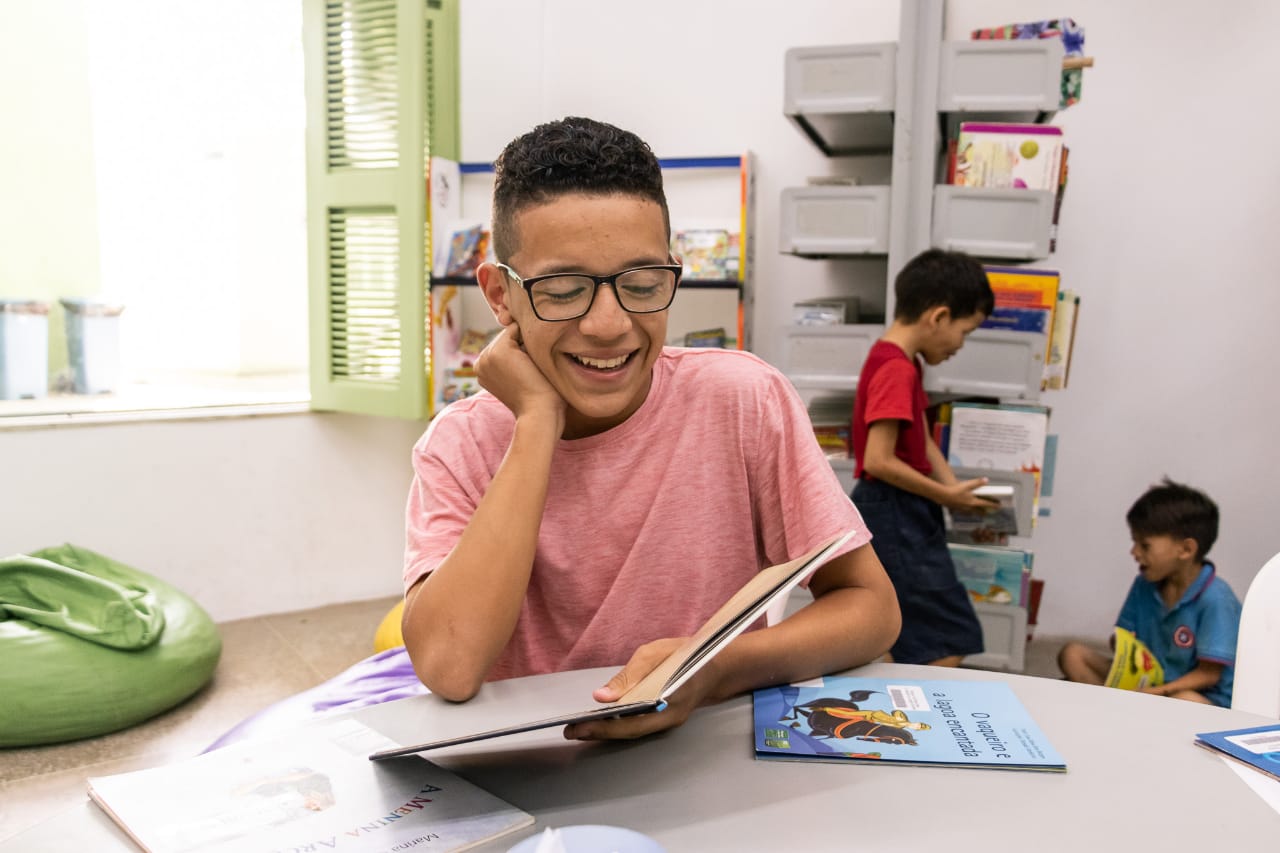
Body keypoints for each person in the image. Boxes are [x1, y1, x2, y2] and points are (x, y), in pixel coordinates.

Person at [400, 116, 900, 741]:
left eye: (641, 285)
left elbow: (872, 609)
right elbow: (449, 665)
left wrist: (711, 668)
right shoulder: (459, 444)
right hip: (530, 778)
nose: (609, 324)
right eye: (562, 290)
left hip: (705, 765)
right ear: (500, 295)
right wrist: (536, 421)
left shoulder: (743, 399)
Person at [850, 248, 997, 667]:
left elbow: (921, 439)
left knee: (900, 631)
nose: (960, 345)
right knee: (948, 636)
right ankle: (917, 717)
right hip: (894, 510)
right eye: (965, 332)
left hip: (901, 510)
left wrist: (950, 486)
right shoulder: (897, 369)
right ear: (938, 317)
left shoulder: (900, 361)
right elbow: (878, 459)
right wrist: (947, 497)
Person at [1058, 478, 1240, 706]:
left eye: (1144, 545)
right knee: (1073, 655)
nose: (1134, 552)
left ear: (1185, 549)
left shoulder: (1216, 599)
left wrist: (1159, 692)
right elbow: (1122, 638)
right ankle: (1122, 711)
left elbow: (1209, 674)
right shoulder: (1144, 584)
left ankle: (1121, 709)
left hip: (1199, 697)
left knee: (1184, 700)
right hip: (1150, 683)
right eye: (1134, 542)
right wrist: (1124, 646)